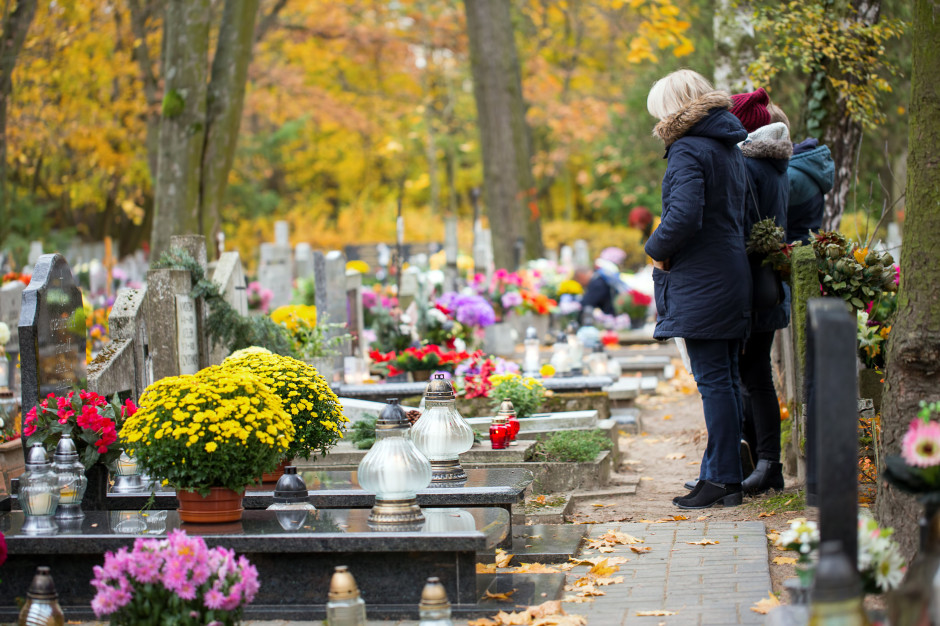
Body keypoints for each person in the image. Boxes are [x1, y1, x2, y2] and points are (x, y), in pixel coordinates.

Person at [645, 69, 751, 509]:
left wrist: (655, 248)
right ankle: (719, 473)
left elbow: (685, 214)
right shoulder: (728, 148)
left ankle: (725, 479)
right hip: (728, 274)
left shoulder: (688, 148)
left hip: (702, 280)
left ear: (672, 108)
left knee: (714, 382)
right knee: (724, 379)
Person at [730, 91, 794, 495]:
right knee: (755, 376)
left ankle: (766, 462)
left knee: (754, 377)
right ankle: (763, 462)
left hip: (753, 286)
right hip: (766, 284)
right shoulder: (774, 164)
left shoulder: (751, 167)